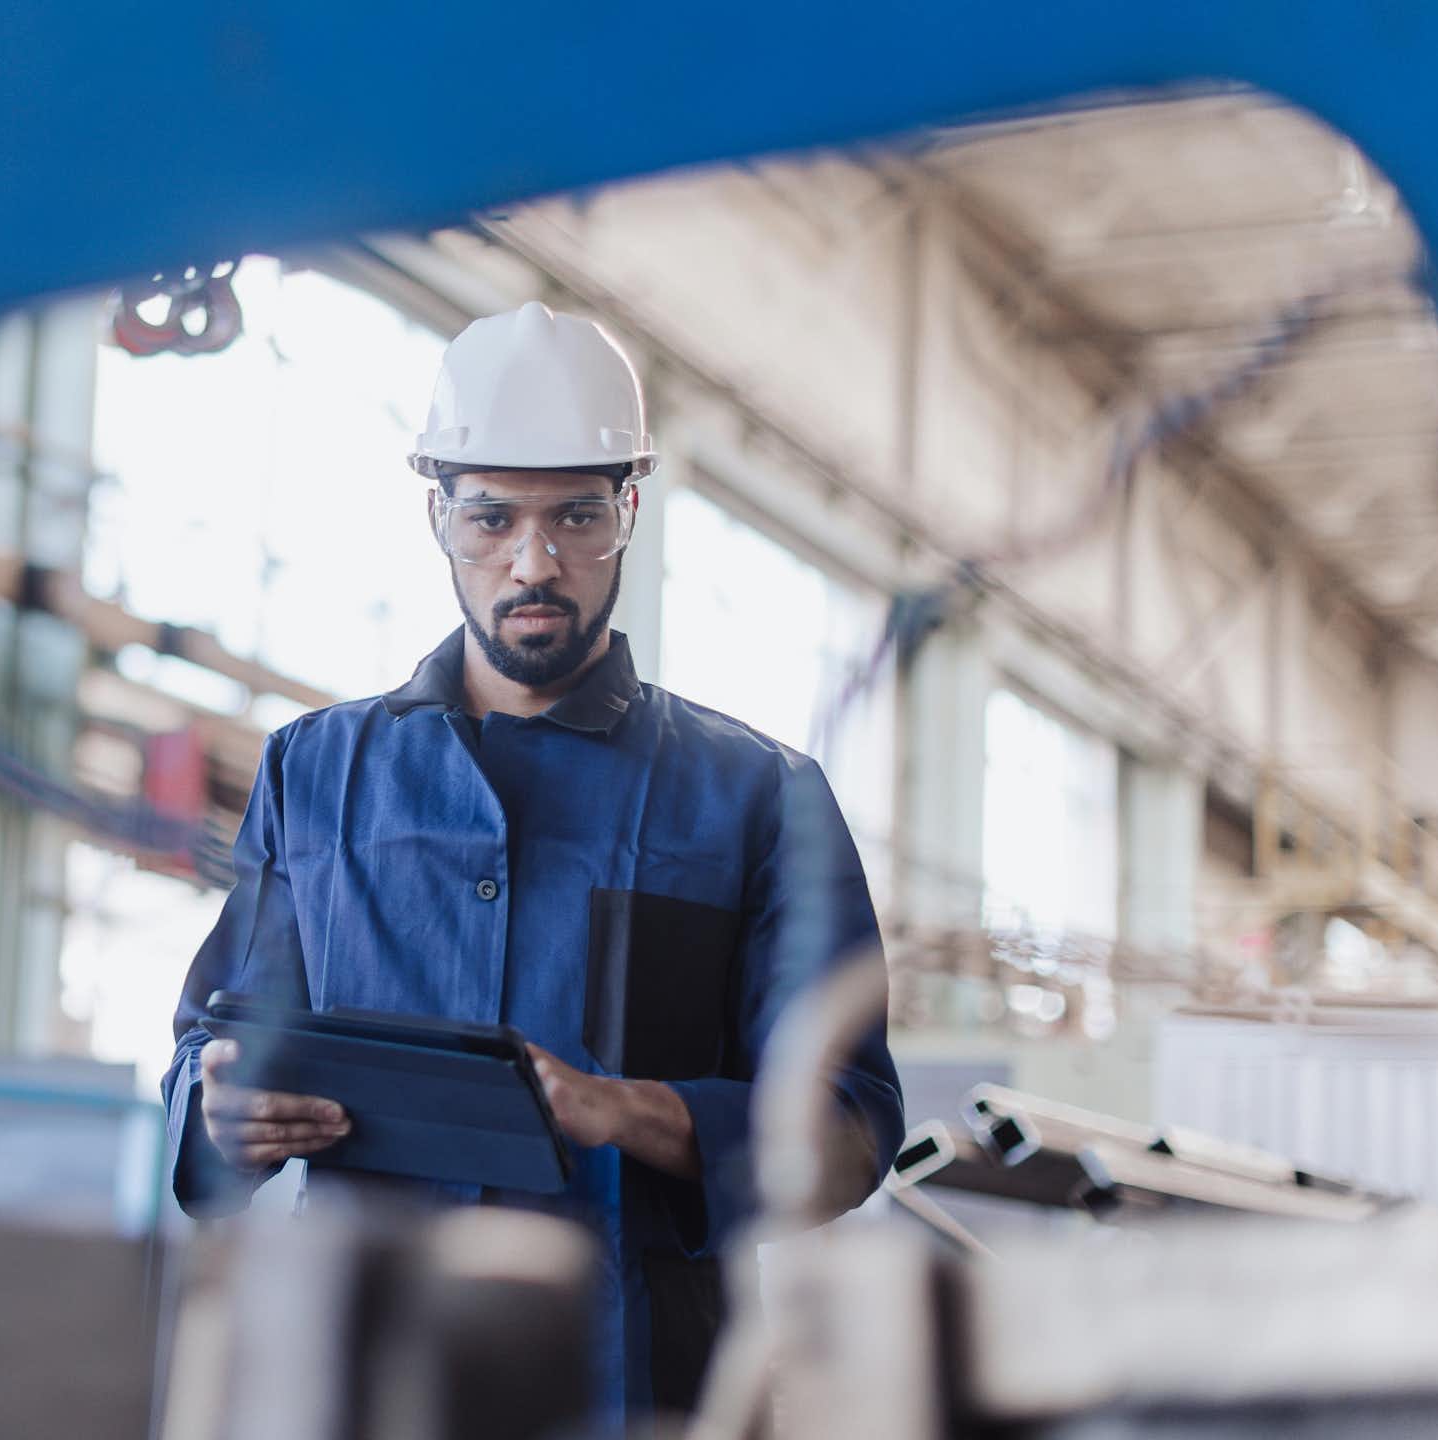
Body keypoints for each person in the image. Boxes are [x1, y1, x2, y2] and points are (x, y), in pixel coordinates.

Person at [160, 300, 902, 1417]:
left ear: (630, 512)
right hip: (361, 1376)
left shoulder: (757, 796)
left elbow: (851, 1123)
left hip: (640, 1386)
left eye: (576, 518)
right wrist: (219, 1114)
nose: (533, 562)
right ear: (437, 517)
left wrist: (627, 1111)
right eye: (491, 519)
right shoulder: (313, 774)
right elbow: (208, 1057)